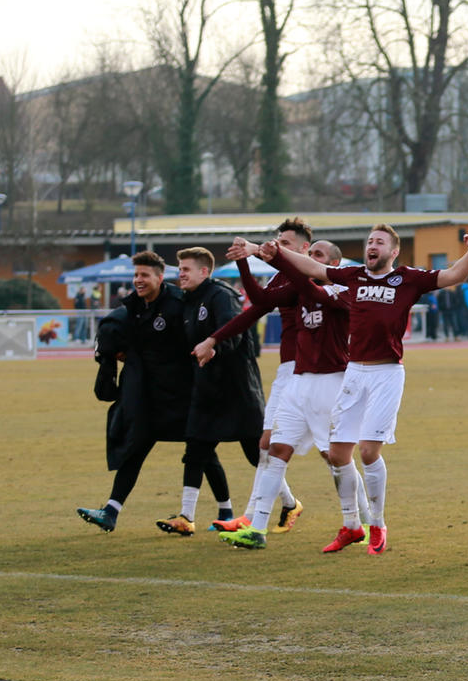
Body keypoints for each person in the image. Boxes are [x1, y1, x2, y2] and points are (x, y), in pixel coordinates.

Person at [269, 223, 468, 555]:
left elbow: (453, 276)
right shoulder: (354, 276)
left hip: (387, 374)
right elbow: (313, 268)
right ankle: (351, 525)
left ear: (393, 252)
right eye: (370, 241)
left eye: (379, 242)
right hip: (354, 372)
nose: (372, 245)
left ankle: (378, 524)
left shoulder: (408, 279)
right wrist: (276, 253)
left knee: (368, 451)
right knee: (338, 454)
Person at [216, 238, 353, 549]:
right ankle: (257, 528)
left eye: (316, 255)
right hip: (299, 381)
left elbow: (312, 291)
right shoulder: (299, 287)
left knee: (336, 457)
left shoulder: (340, 289)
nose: (309, 258)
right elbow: (261, 297)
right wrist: (245, 261)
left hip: (331, 382)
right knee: (275, 449)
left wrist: (274, 256)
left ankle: (357, 521)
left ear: (331, 265)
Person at [200, 220, 318, 537]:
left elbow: (260, 302)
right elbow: (256, 304)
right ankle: (256, 517)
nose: (278, 248)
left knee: (335, 454)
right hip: (288, 371)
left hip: (313, 373)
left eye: (286, 244)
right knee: (267, 445)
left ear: (305, 248)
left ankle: (362, 520)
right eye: (277, 241)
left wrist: (250, 253)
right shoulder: (284, 274)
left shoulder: (308, 273)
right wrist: (212, 340)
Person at [77, 252, 191, 532]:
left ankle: (229, 510)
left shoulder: (178, 304)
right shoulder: (135, 306)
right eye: (136, 275)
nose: (138, 281)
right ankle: (111, 512)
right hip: (148, 396)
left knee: (202, 450)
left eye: (145, 275)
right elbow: (124, 331)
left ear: (160, 277)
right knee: (135, 449)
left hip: (180, 395)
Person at [161, 247, 263, 535]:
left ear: (204, 271)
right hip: (206, 390)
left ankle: (289, 503)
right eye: (179, 269)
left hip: (236, 390)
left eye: (186, 269)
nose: (180, 274)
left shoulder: (220, 295)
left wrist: (214, 348)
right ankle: (186, 516)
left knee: (256, 455)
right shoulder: (188, 302)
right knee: (195, 450)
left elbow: (236, 331)